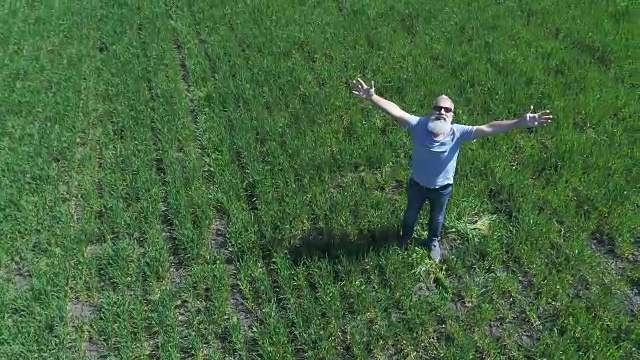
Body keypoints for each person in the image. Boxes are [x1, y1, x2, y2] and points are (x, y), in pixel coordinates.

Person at [350, 78, 552, 261]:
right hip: (417, 186)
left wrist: (519, 122)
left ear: (452, 115)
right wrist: (372, 97)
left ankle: (433, 242)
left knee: (437, 218)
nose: (442, 112)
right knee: (410, 214)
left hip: (442, 189)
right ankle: (405, 237)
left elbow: (489, 128)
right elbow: (396, 111)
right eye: (438, 108)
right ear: (431, 111)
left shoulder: (458, 133)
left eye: (447, 110)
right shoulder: (418, 125)